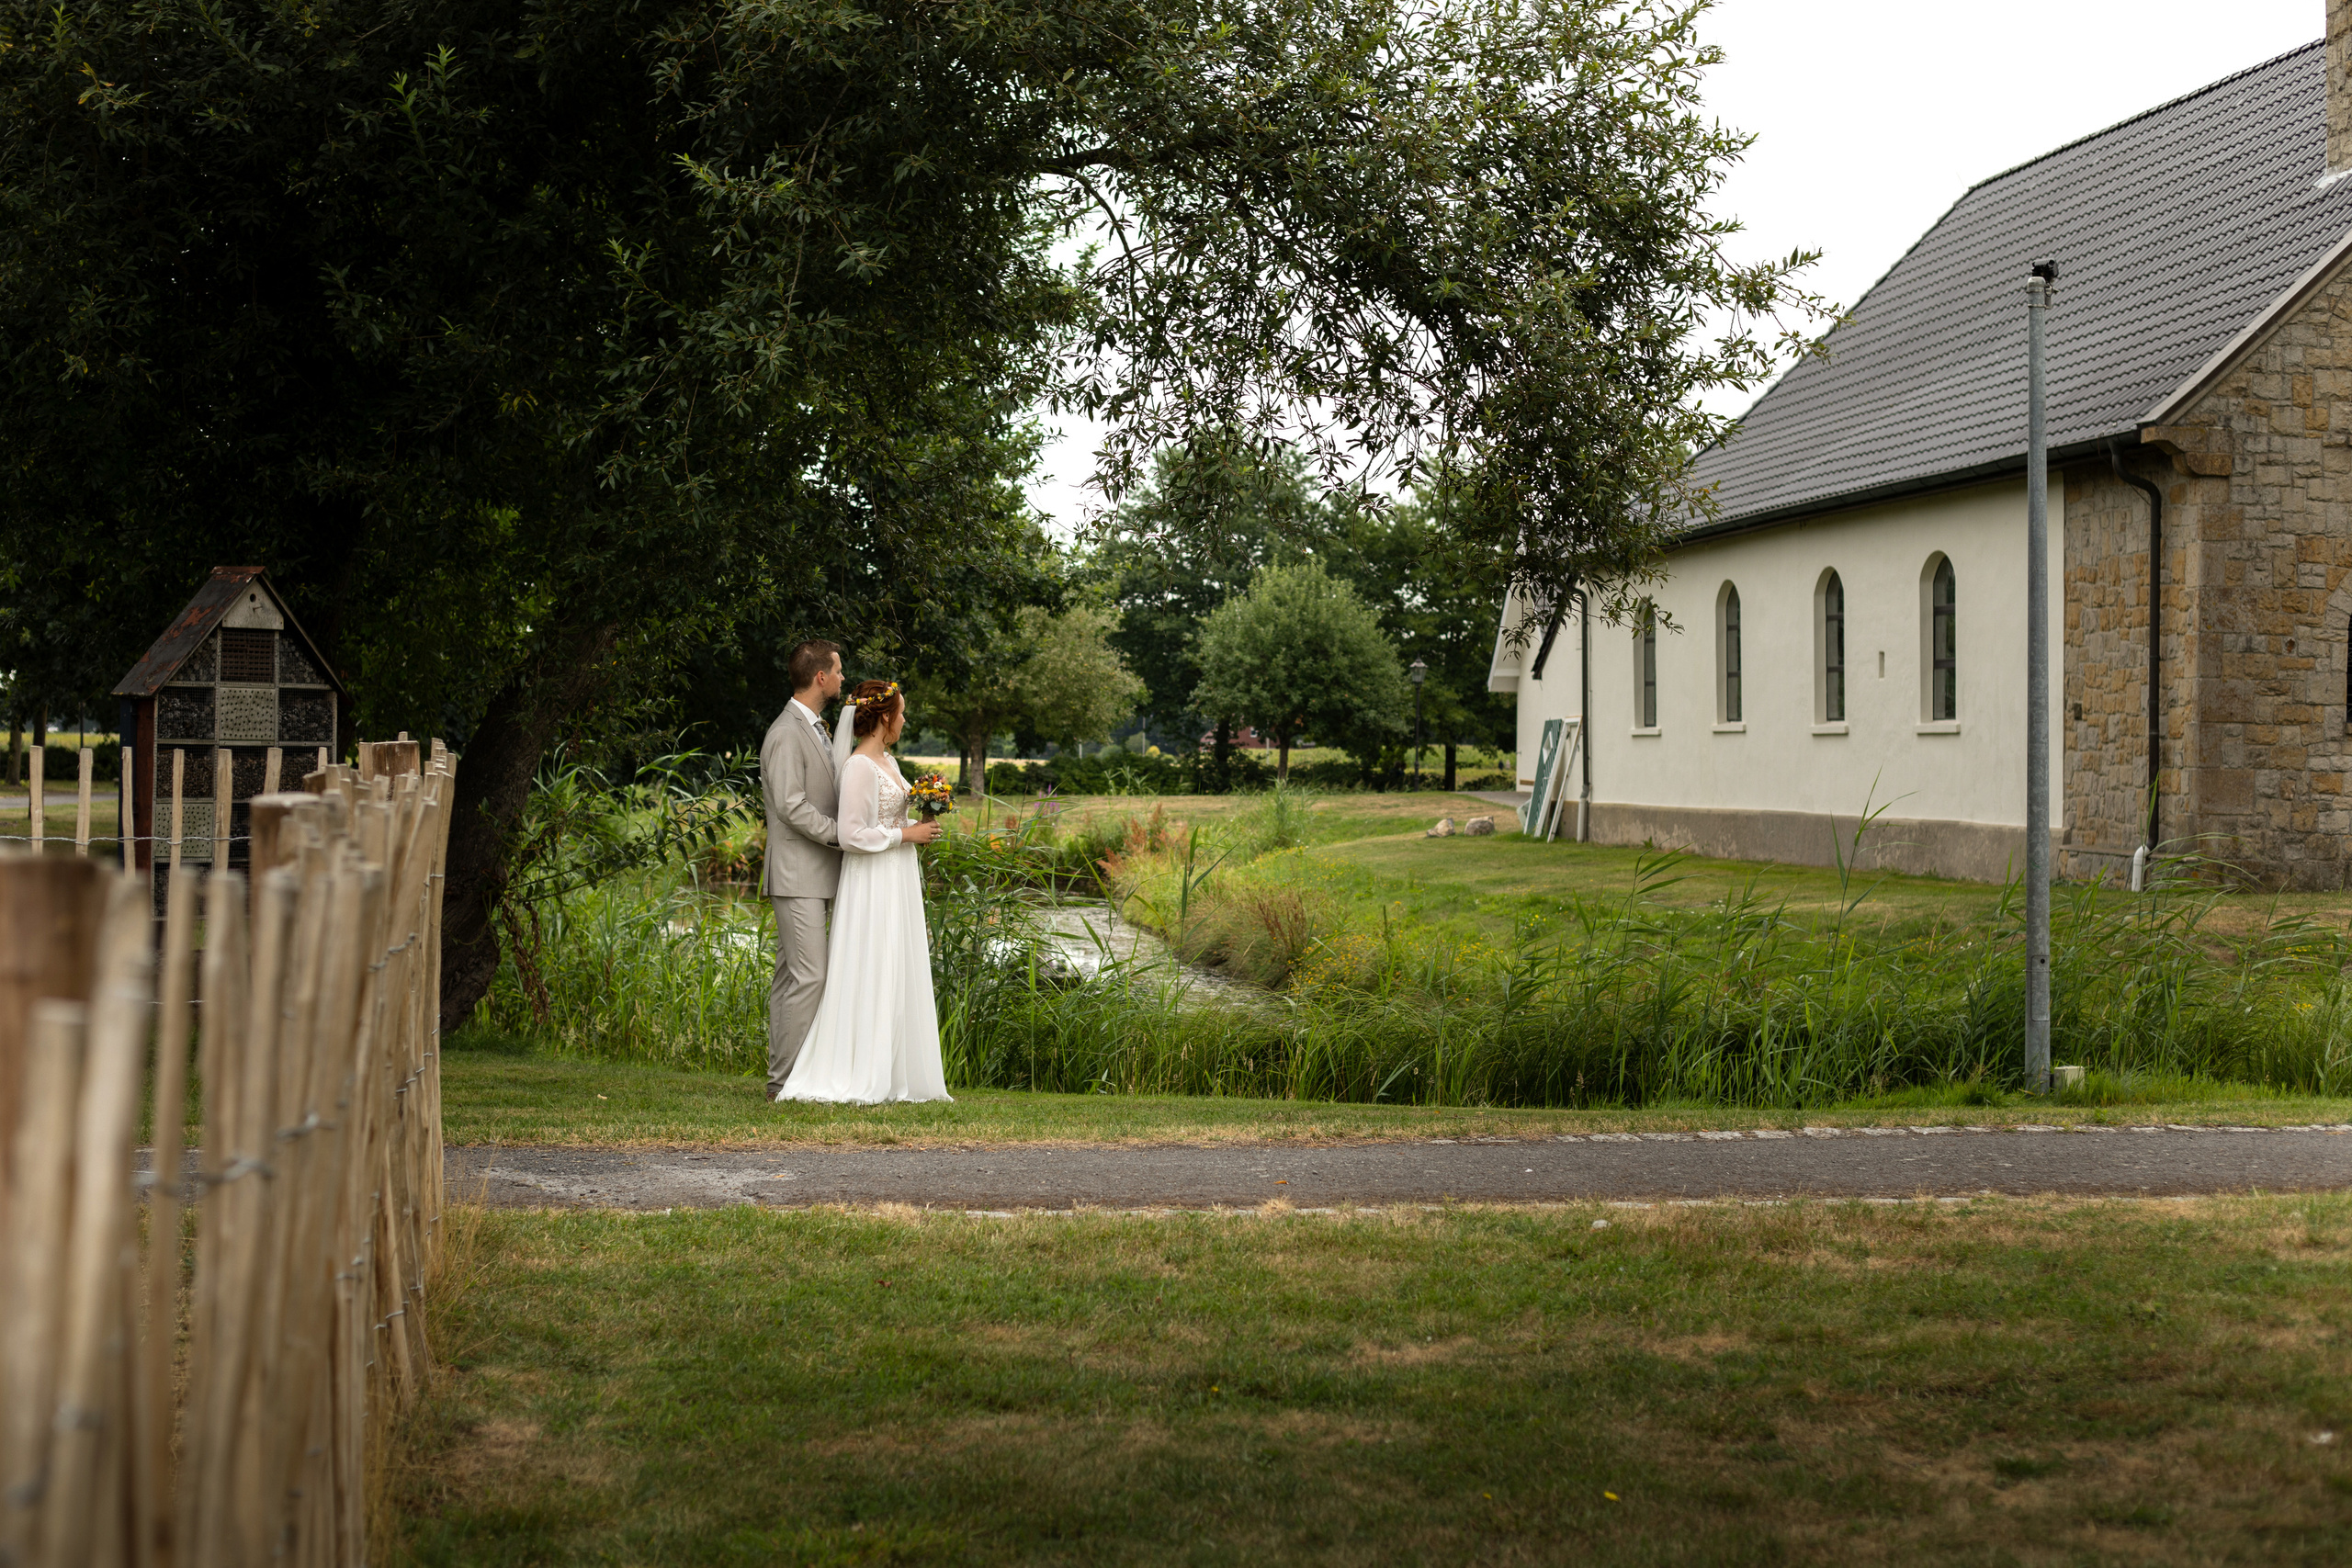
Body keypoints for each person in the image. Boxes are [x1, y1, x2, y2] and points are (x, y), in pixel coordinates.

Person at [775, 679, 949, 1104]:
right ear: (885, 718)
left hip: (896, 876)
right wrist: (905, 835)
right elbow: (852, 835)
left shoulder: (887, 761)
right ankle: (857, 1070)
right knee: (872, 963)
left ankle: (895, 1072)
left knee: (897, 963)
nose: (905, 720)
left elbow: (889, 813)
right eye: (902, 713)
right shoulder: (858, 766)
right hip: (871, 881)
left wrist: (928, 806)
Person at [758, 639, 848, 1098]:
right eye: (838, 671)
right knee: (810, 975)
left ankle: (785, 1076)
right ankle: (786, 1083)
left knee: (792, 976)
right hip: (797, 874)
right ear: (820, 677)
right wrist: (841, 833)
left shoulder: (816, 727)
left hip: (814, 872)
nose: (841, 678)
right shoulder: (785, 732)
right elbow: (791, 805)